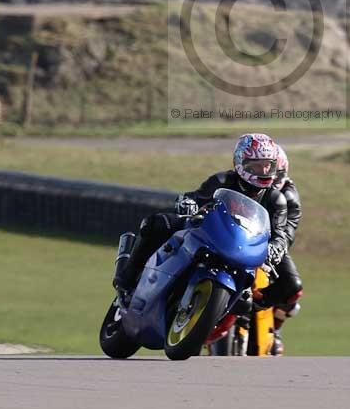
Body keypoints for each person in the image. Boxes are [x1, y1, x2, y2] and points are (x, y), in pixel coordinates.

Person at [113, 133, 294, 305]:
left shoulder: (276, 199)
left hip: (245, 250)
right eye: (256, 165)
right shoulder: (222, 180)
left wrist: (275, 248)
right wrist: (189, 203)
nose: (262, 171)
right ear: (241, 163)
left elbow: (280, 235)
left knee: (247, 303)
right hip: (211, 234)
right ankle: (127, 279)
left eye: (267, 165)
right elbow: (196, 197)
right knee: (156, 223)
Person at [257, 144, 303, 355]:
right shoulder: (246, 184)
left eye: (276, 173)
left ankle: (274, 328)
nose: (270, 178)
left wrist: (276, 249)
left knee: (293, 288)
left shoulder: (289, 197)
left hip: (272, 244)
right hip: (238, 238)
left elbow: (288, 233)